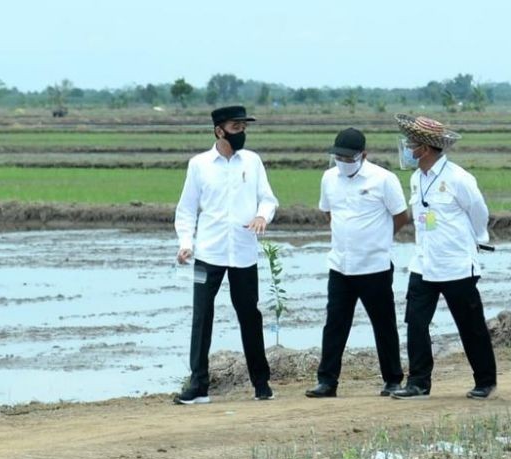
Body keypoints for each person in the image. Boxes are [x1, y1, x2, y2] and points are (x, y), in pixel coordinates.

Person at [173, 105, 279, 405]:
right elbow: (186, 209)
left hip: (244, 252)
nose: (241, 133)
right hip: (208, 252)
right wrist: (185, 242)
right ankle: (198, 385)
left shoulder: (253, 162)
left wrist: (262, 216)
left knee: (249, 315)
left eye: (244, 127)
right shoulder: (199, 165)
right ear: (220, 130)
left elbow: (268, 200)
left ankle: (261, 383)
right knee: (201, 316)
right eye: (236, 127)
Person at [391, 114, 497, 400]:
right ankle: (418, 382)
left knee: (470, 325)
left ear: (424, 149)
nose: (407, 149)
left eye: (410, 144)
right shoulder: (417, 178)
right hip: (424, 262)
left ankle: (485, 380)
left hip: (456, 264)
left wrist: (473, 241)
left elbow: (479, 214)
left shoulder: (458, 178)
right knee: (415, 322)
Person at [305, 128, 408, 399]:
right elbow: (329, 213)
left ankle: (393, 380)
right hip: (340, 265)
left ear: (364, 155)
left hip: (374, 266)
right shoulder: (329, 179)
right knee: (335, 324)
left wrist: (377, 240)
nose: (343, 162)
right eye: (338, 156)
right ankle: (327, 382)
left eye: (349, 158)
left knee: (383, 324)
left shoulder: (383, 179)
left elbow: (400, 216)